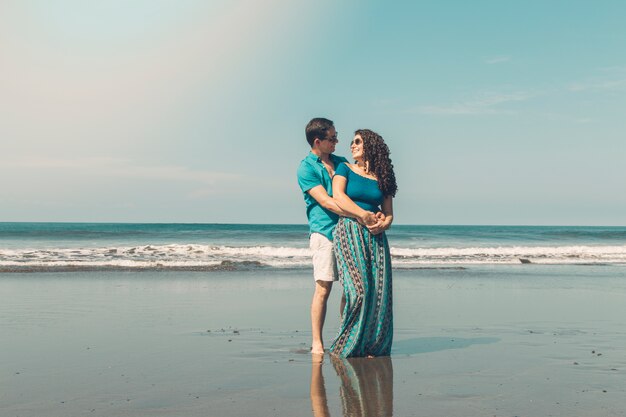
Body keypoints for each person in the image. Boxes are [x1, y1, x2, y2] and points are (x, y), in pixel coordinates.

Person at [297, 118, 380, 355]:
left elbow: (357, 191)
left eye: (336, 137)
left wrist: (374, 214)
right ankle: (317, 342)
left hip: (351, 232)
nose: (337, 142)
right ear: (318, 141)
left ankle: (348, 335)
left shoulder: (342, 162)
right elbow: (328, 202)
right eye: (332, 139)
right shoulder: (306, 168)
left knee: (352, 288)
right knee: (323, 286)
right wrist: (361, 215)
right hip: (325, 233)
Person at [329, 129, 397, 358]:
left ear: (371, 145)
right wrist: (363, 215)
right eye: (352, 141)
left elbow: (388, 213)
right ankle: (347, 344)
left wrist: (382, 224)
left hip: (376, 237)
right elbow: (338, 196)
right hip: (348, 229)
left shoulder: (384, 177)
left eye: (357, 141)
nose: (352, 145)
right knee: (358, 291)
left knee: (378, 293)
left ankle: (372, 346)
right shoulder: (345, 168)